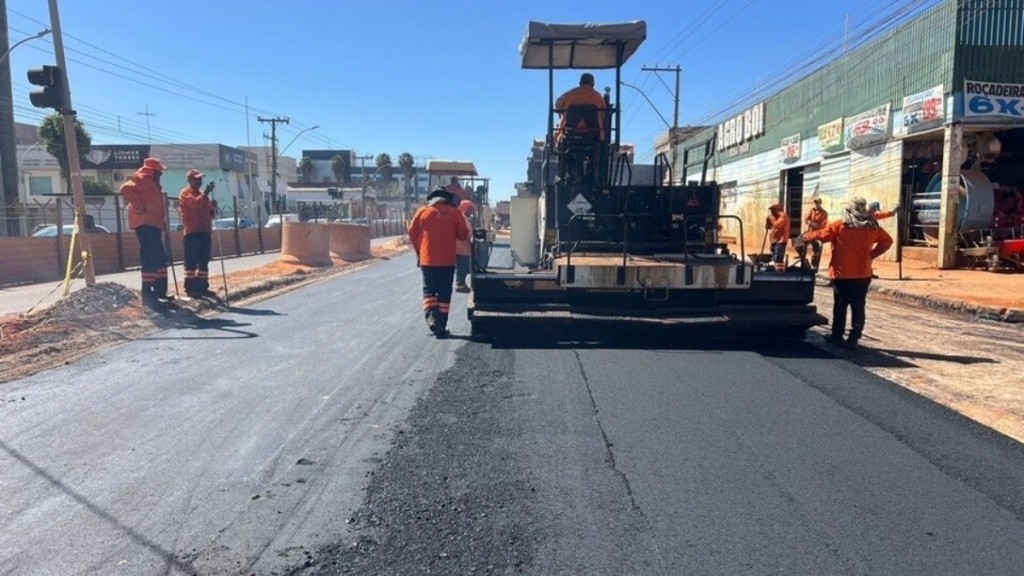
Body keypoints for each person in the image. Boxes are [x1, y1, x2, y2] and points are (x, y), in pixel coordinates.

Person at [802, 197, 893, 348]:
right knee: (858, 306)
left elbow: (822, 235)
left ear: (849, 209)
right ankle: (854, 338)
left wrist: (806, 236)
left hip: (842, 274)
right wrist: (872, 255)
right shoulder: (872, 226)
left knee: (840, 306)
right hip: (863, 274)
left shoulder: (841, 225)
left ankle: (837, 336)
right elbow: (887, 241)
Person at [408, 188, 469, 338]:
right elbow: (463, 235)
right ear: (447, 198)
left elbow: (411, 232)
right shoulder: (455, 213)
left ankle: (432, 319)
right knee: (444, 293)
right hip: (447, 262)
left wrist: (419, 252)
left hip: (427, 260)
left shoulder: (422, 212)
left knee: (429, 291)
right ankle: (441, 324)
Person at [120, 157, 170, 306]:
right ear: (152, 171)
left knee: (161, 258)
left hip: (154, 225)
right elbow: (125, 189)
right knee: (150, 259)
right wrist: (139, 206)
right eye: (159, 171)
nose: (161, 174)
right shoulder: (140, 179)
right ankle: (148, 295)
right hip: (145, 224)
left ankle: (161, 291)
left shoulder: (153, 183)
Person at [178, 169, 217, 298]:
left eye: (200, 179)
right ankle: (190, 288)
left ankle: (202, 287)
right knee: (191, 262)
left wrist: (212, 208)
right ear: (189, 180)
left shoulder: (202, 195)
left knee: (203, 261)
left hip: (204, 231)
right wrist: (206, 194)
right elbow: (194, 204)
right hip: (192, 232)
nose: (199, 181)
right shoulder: (185, 194)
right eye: (196, 179)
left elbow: (209, 212)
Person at [554, 72, 606, 143]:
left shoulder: (569, 94)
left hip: (570, 133)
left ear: (580, 83)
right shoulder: (599, 97)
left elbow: (557, 106)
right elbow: (603, 117)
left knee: (561, 125)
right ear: (593, 84)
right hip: (593, 135)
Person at [455, 200, 475, 293]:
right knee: (462, 266)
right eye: (470, 209)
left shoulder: (459, 216)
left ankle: (460, 283)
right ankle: (460, 284)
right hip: (461, 247)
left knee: (461, 266)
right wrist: (470, 235)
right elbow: (466, 231)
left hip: (459, 246)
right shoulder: (462, 217)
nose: (471, 211)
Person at [804, 196, 829, 270]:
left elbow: (823, 225)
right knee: (799, 242)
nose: (816, 204)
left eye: (817, 203)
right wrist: (809, 222)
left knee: (816, 250)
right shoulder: (812, 211)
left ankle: (814, 265)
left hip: (818, 234)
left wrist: (814, 224)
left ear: (820, 203)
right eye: (815, 202)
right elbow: (806, 219)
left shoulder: (824, 213)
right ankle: (804, 260)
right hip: (810, 232)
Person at [765, 203, 790, 272]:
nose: (772, 212)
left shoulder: (783, 216)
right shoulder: (775, 217)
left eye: (773, 210)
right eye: (771, 210)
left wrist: (771, 219)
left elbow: (777, 225)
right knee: (774, 258)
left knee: (778, 258)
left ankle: (779, 274)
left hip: (780, 241)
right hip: (774, 241)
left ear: (778, 209)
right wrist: (768, 222)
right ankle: (776, 272)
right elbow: (769, 227)